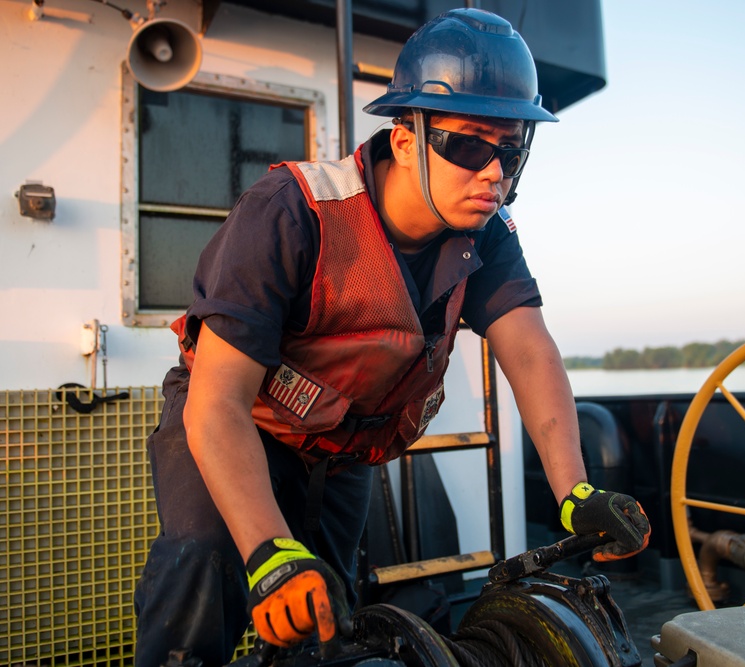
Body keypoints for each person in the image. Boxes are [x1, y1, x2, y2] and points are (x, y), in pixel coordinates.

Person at [133, 7, 650, 666]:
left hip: (338, 453)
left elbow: (530, 350)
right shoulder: (293, 213)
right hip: (238, 422)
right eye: (468, 145)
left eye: (511, 149)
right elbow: (217, 402)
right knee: (202, 569)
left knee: (325, 622)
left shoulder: (486, 235)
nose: (494, 172)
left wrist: (575, 492)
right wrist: (267, 550)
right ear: (405, 139)